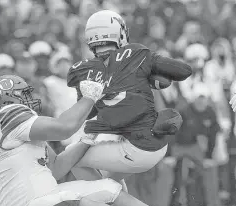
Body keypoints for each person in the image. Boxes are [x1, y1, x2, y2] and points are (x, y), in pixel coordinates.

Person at [0, 75, 214, 206]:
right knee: (70, 199)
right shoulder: (7, 115)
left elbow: (57, 168)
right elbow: (63, 128)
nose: (31, 99)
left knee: (107, 188)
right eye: (24, 94)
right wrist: (88, 98)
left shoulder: (17, 132)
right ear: (8, 99)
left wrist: (87, 136)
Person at [66, 10, 191, 183]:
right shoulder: (136, 53)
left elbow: (86, 113)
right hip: (152, 144)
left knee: (72, 158)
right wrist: (150, 71)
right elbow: (184, 71)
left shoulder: (83, 69)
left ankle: (108, 205)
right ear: (121, 33)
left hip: (134, 147)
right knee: (110, 182)